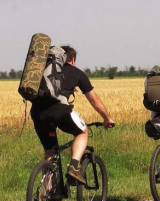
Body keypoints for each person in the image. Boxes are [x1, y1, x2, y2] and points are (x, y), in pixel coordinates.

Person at [30, 45, 115, 184]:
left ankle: (46, 196)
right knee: (82, 133)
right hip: (59, 111)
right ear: (73, 59)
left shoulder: (41, 71)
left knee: (50, 152)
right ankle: (73, 167)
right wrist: (107, 118)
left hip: (38, 113)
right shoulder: (77, 73)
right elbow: (94, 100)